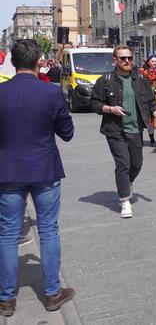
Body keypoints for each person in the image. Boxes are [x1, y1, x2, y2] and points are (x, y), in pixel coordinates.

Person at [0, 40, 75, 316]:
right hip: (44, 169)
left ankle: (6, 299)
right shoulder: (50, 93)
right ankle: (53, 293)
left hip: (7, 170)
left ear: (13, 61)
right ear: (38, 62)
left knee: (7, 234)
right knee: (48, 230)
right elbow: (67, 133)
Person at [90, 45, 156, 218]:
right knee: (123, 164)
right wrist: (110, 109)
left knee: (136, 164)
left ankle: (127, 183)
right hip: (115, 130)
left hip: (135, 129)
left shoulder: (140, 78)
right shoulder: (106, 80)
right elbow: (94, 103)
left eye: (130, 58)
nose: (127, 61)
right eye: (123, 58)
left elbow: (151, 102)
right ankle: (124, 201)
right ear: (115, 60)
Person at [140, 54, 156, 147]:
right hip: (147, 97)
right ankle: (152, 139)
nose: (154, 63)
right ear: (148, 62)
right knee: (149, 120)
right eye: (152, 61)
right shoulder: (143, 72)